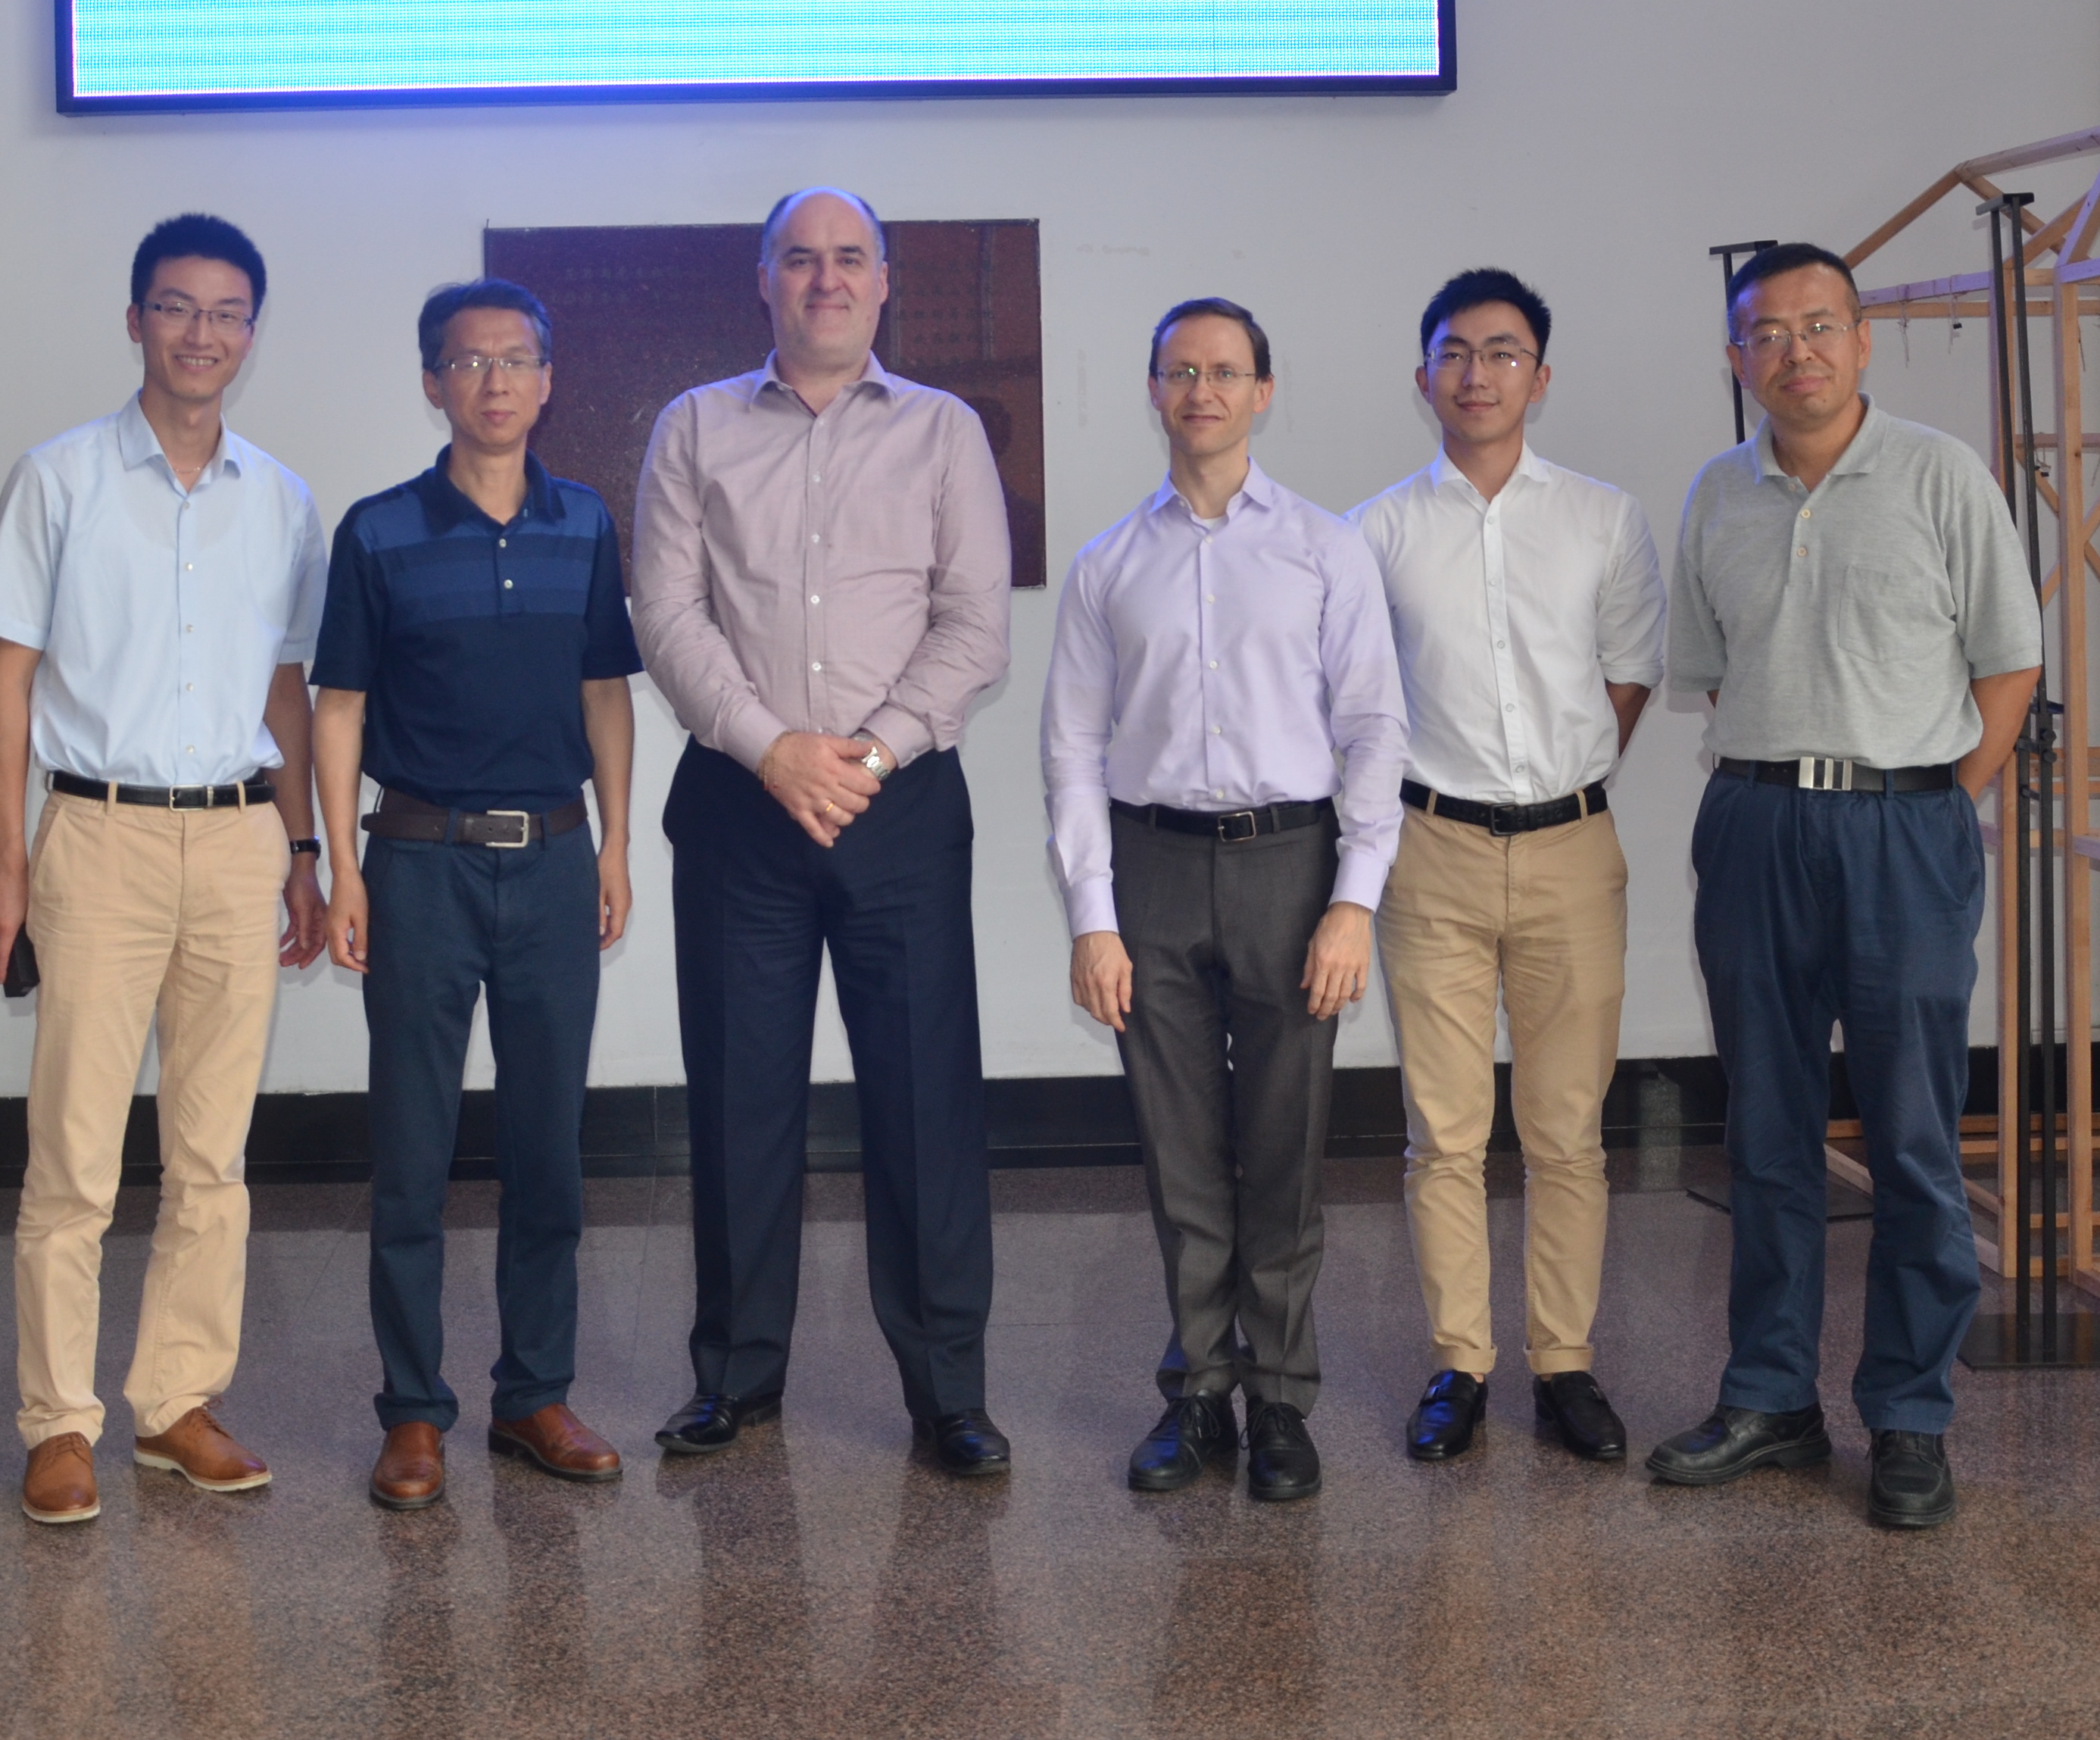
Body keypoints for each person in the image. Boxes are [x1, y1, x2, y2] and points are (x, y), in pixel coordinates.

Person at [1648, 242, 2040, 1532]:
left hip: (1903, 830)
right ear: (1736, 356)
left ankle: (1911, 1416)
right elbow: (1713, 666)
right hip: (1756, 824)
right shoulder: (1718, 492)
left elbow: (2009, 665)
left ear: (1863, 341)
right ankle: (1770, 1398)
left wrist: (1935, 806)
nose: (1795, 352)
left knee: (1913, 1139)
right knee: (1768, 1133)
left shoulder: (1941, 475)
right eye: (1767, 333)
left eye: (1819, 326)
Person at [629, 187, 1016, 1476]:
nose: (827, 279)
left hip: (900, 808)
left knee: (924, 1107)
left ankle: (948, 1393)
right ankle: (734, 1377)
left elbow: (974, 623)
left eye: (851, 258)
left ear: (885, 281)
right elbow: (666, 613)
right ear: (765, 280)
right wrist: (771, 748)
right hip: (741, 806)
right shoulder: (693, 426)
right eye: (801, 259)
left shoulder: (945, 431)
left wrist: (870, 753)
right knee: (741, 1103)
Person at [0, 213, 330, 1527]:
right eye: (176, 307)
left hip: (238, 838)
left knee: (211, 1154)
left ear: (252, 333)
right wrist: (7, 859)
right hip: (100, 835)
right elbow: (8, 681)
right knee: (73, 1154)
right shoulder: (59, 478)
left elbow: (286, 693)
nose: (201, 333)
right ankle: (57, 1422)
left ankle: (177, 1401)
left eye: (227, 313)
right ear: (135, 320)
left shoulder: (282, 500)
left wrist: (302, 851)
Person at [1046, 298, 1403, 1503]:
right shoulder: (1109, 565)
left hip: (1290, 868)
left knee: (1285, 1148)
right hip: (1149, 869)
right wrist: (1093, 916)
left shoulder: (1324, 549)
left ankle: (1281, 1399)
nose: (1202, 390)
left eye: (1226, 371)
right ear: (1154, 390)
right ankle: (1199, 1389)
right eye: (1180, 370)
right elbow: (1072, 750)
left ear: (1263, 392)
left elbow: (1374, 729)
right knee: (1180, 1149)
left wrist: (1354, 900)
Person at [314, 277, 642, 1510]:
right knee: (412, 1154)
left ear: (547, 382)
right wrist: (343, 869)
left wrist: (614, 845)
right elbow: (339, 707)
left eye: (516, 360)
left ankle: (533, 1395)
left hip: (554, 860)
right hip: (418, 864)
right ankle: (412, 1412)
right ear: (432, 382)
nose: (494, 381)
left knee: (548, 1150)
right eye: (469, 361)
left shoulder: (585, 522)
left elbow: (605, 690)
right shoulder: (379, 531)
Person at [1351, 269, 1665, 1469]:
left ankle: (1564, 1361)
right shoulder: (1374, 533)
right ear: (1422, 375)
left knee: (1567, 1130)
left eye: (1501, 352)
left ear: (1540, 376)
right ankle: (1460, 1364)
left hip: (1572, 850)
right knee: (1444, 1132)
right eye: (1454, 353)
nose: (1476, 374)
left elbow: (1627, 677)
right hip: (1429, 850)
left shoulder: (1603, 519)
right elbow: (1358, 702)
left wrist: (1556, 790)